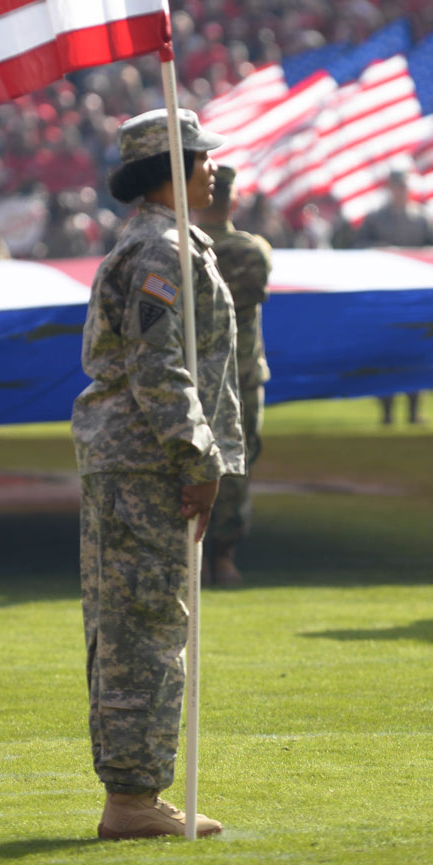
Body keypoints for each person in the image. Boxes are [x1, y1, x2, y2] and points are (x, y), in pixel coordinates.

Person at [73, 108, 242, 840]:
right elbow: (159, 366)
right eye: (200, 157)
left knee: (141, 623)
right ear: (170, 168)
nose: (212, 168)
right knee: (143, 627)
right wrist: (197, 456)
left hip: (139, 458)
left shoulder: (169, 246)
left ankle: (135, 792)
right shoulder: (158, 253)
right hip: (146, 460)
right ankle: (135, 798)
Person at [193, 164, 271, 587]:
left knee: (189, 461)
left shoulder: (178, 249)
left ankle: (195, 553)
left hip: (192, 375)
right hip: (239, 376)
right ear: (232, 200)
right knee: (236, 464)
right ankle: (224, 557)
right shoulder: (250, 249)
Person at [356, 167, 433, 424]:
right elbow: (357, 248)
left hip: (415, 297)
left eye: (404, 186)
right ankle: (386, 411)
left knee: (414, 354)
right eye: (396, 186)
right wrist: (380, 250)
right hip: (384, 297)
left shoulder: (423, 218)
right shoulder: (374, 219)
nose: (400, 191)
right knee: (385, 355)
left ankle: (414, 410)